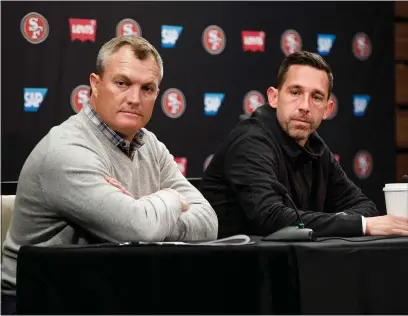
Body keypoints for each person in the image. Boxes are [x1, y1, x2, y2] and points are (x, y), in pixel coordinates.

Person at [1, 35, 218, 313]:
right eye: (122, 83)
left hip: (109, 295)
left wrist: (149, 219)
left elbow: (208, 221)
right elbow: (139, 228)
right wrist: (172, 200)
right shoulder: (66, 150)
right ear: (95, 84)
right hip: (37, 302)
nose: (134, 99)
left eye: (148, 88)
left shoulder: (150, 145)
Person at [200, 51, 408, 239]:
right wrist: (361, 225)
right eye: (295, 92)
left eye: (316, 97)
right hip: (228, 271)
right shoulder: (250, 141)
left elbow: (365, 207)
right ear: (273, 97)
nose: (305, 106)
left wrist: (340, 221)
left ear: (327, 109)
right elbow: (271, 219)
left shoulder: (314, 146)